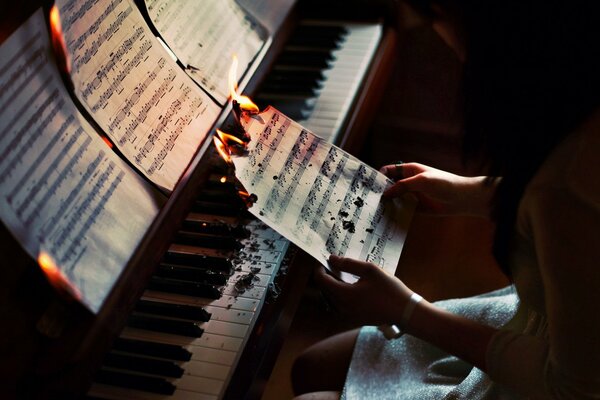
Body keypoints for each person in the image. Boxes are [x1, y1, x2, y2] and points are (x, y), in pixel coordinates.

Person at [291, 0, 600, 398]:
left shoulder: (568, 185)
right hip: (548, 318)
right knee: (312, 365)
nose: (437, 34)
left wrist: (407, 310)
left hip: (552, 372)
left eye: (437, 16)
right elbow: (575, 225)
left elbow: (572, 387)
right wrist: (470, 192)